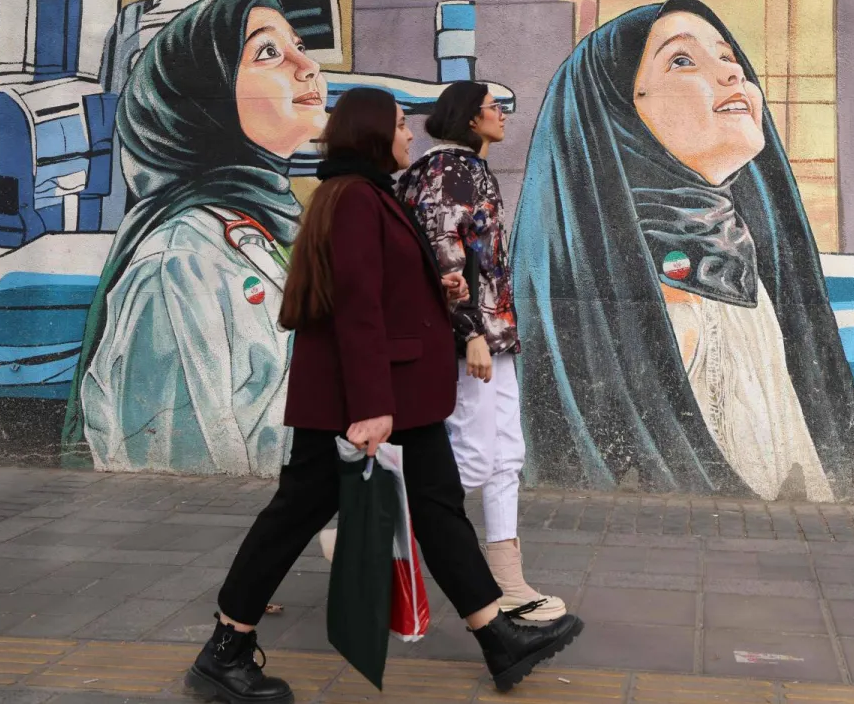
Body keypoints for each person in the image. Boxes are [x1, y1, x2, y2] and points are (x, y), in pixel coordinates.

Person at [188, 88, 584, 704]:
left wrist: (435, 287)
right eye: (401, 126)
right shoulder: (353, 200)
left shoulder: (368, 195)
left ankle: (498, 637)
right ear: (374, 133)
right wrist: (371, 406)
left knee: (439, 508)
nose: (410, 135)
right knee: (294, 515)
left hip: (397, 396)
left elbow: (386, 289)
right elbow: (357, 308)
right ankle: (226, 647)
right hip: (363, 401)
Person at [510, 0, 854, 500]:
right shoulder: (626, 292)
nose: (734, 75)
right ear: (621, 114)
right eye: (683, 60)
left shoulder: (747, 262)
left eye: (729, 57)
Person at [63, 0, 327, 476]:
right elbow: (175, 465)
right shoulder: (180, 264)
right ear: (204, 102)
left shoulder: (263, 232)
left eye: (299, 46)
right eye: (268, 52)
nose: (306, 66)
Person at [397, 80, 562, 619]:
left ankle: (509, 581)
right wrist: (468, 330)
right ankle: (371, 533)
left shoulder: (464, 168)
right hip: (471, 338)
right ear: (471, 117)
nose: (503, 117)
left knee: (505, 455)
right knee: (472, 455)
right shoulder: (450, 170)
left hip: (492, 333)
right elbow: (446, 255)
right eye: (495, 108)